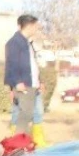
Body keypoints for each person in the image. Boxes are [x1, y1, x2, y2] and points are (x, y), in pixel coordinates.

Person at [4, 14, 48, 147]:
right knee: (25, 113)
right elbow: (12, 64)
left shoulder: (28, 43)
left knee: (34, 112)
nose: (36, 29)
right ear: (26, 26)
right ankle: (17, 142)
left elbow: (33, 65)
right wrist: (17, 82)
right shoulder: (14, 42)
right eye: (34, 26)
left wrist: (40, 81)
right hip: (24, 84)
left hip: (33, 84)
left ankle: (33, 141)